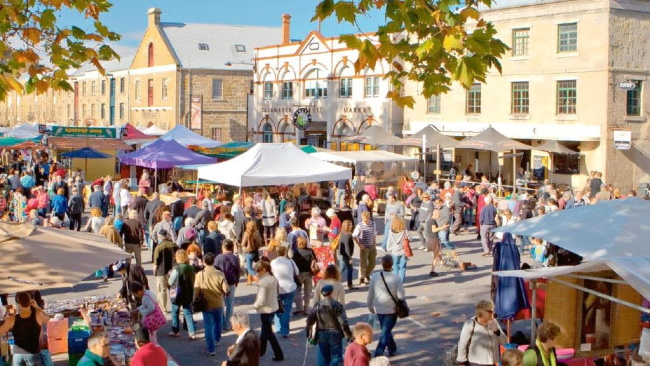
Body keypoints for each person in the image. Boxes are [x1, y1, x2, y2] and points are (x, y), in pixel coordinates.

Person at [367, 255, 406, 357]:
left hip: (379, 308)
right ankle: (379, 352)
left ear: (382, 264)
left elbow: (370, 293)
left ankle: (392, 348)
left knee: (386, 330)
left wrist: (369, 305)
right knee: (385, 331)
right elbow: (401, 296)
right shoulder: (396, 278)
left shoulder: (375, 277)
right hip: (391, 309)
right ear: (392, 264)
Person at [306, 284, 353, 366]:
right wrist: (349, 335)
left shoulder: (317, 305)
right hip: (335, 333)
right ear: (331, 293)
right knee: (336, 356)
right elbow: (343, 323)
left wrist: (309, 333)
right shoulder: (337, 305)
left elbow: (310, 321)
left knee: (325, 356)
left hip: (321, 333)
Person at [194, 253, 230, 355]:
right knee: (218, 323)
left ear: (204, 262)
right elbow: (226, 289)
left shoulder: (200, 275)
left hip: (206, 304)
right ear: (213, 261)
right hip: (218, 302)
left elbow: (196, 291)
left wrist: (194, 300)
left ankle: (211, 349)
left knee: (208, 326)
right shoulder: (220, 274)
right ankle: (217, 339)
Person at [0, 291, 49, 366]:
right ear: (30, 302)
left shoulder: (11, 319)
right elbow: (47, 318)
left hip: (18, 355)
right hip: (33, 354)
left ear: (18, 303)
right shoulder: (38, 315)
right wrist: (37, 307)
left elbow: (1, 331)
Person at [455, 299, 507, 366]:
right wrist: (461, 362)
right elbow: (462, 344)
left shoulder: (494, 322)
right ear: (481, 312)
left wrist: (497, 331)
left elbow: (505, 342)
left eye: (493, 311)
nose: (493, 314)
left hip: (493, 362)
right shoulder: (470, 324)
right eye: (490, 311)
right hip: (476, 363)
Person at [252, 260, 284, 361]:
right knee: (265, 330)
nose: (257, 273)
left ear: (264, 270)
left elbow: (261, 300)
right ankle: (261, 350)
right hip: (273, 306)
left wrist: (255, 306)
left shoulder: (263, 282)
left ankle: (279, 354)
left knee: (268, 332)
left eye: (258, 270)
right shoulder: (273, 278)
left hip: (265, 309)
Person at [168, 250, 196, 340]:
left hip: (177, 294)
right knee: (188, 313)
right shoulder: (191, 268)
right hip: (188, 293)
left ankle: (175, 331)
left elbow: (170, 281)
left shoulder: (177, 268)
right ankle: (192, 333)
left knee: (175, 312)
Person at [270, 246, 298, 338]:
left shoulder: (273, 263)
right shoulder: (291, 262)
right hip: (289, 287)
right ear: (285, 253)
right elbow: (297, 273)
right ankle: (285, 331)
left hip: (277, 289)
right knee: (287, 310)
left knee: (277, 308)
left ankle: (278, 328)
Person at [215, 240, 241, 331]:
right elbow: (238, 270)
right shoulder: (235, 258)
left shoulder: (218, 257)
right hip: (231, 282)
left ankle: (220, 322)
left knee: (220, 303)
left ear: (223, 247)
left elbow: (215, 270)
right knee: (230, 304)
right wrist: (237, 280)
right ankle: (228, 324)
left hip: (220, 283)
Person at [152, 229, 177, 312]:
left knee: (162, 291)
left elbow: (156, 261)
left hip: (161, 272)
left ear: (160, 236)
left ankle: (164, 308)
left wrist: (154, 271)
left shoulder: (158, 247)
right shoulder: (174, 245)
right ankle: (175, 305)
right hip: (173, 271)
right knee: (172, 289)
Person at [292, 236, 316, 315]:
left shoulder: (296, 252)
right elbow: (316, 260)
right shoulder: (310, 251)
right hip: (308, 273)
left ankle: (299, 308)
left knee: (298, 291)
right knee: (307, 292)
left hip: (299, 274)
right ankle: (306, 308)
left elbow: (293, 263)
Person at [352, 211, 377, 286]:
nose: (364, 220)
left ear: (368, 217)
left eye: (365, 218)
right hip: (364, 247)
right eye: (363, 218)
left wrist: (374, 243)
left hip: (372, 246)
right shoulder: (359, 226)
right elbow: (354, 236)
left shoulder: (373, 223)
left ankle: (367, 274)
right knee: (363, 264)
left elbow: (374, 233)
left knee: (372, 263)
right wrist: (360, 245)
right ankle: (361, 278)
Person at [385, 217, 410, 282]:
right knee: (403, 266)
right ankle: (401, 281)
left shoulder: (391, 231)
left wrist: (388, 248)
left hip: (395, 251)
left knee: (395, 265)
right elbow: (410, 239)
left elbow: (389, 240)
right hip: (403, 251)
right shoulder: (404, 231)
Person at [426, 209, 449, 277]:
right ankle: (432, 271)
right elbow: (434, 230)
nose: (439, 215)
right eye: (439, 214)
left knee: (438, 252)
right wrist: (443, 227)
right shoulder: (433, 221)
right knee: (436, 255)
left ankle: (441, 262)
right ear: (435, 214)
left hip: (430, 239)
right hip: (434, 239)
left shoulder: (429, 220)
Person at [241, 220, 262, 285]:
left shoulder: (246, 233)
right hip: (256, 251)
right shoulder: (257, 232)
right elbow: (260, 242)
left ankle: (258, 278)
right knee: (256, 265)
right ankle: (249, 280)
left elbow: (243, 244)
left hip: (249, 252)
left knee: (249, 268)